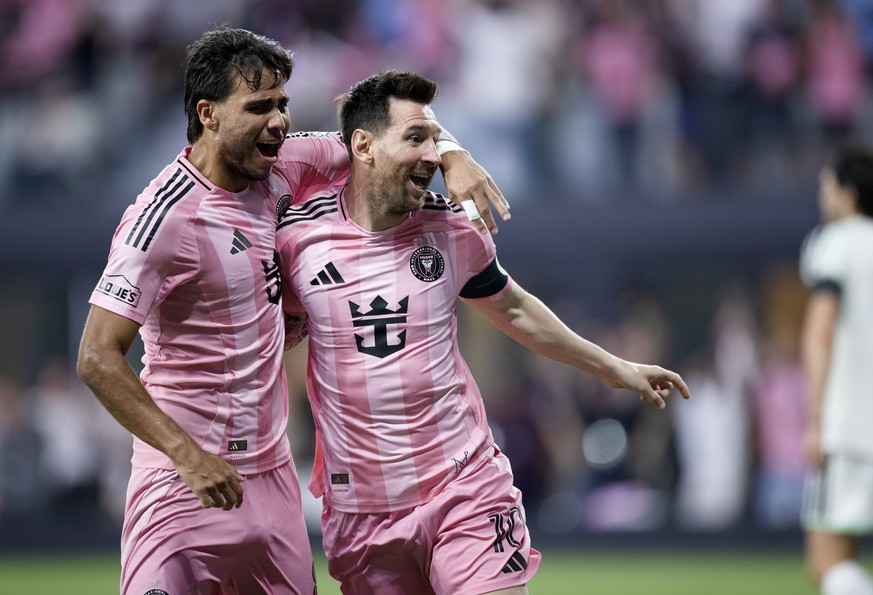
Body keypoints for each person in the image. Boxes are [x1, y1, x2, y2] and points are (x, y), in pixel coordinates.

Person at [76, 27, 508, 594]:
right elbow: (96, 358)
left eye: (282, 103)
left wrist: (454, 153)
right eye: (259, 107)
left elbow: (380, 133)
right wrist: (185, 455)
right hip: (183, 483)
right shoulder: (161, 219)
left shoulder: (280, 163)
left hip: (273, 478)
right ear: (208, 113)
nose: (279, 120)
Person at [276, 69, 690, 595]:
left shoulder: (449, 227)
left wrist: (614, 366)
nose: (431, 155)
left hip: (463, 487)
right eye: (415, 138)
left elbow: (514, 309)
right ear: (362, 146)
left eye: (435, 140)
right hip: (362, 512)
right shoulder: (297, 239)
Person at [800, 145, 873, 595]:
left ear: (848, 194)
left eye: (827, 186)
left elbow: (819, 334)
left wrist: (815, 420)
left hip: (847, 428)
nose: (822, 195)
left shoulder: (835, 241)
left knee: (828, 563)